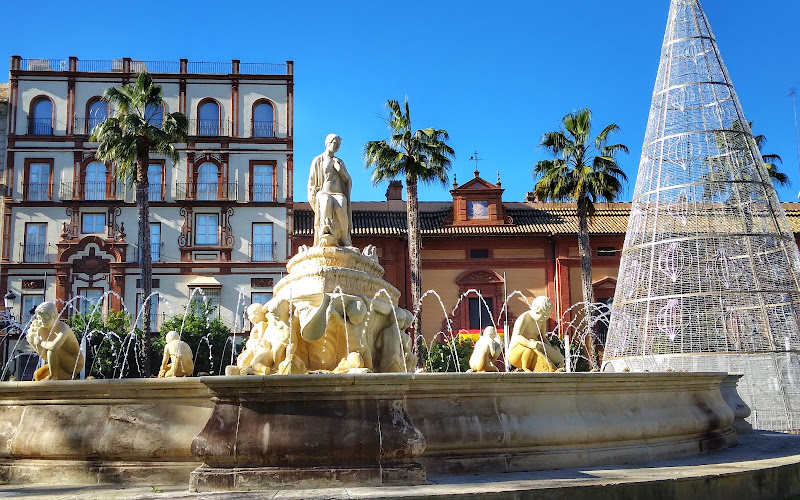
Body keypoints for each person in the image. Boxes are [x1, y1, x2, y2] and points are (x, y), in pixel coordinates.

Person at [308, 133, 352, 247]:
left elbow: (347, 180)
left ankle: (344, 237)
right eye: (335, 143)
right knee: (326, 201)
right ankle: (325, 233)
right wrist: (314, 193)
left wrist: (340, 170)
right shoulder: (318, 160)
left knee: (341, 205)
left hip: (337, 193)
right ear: (328, 143)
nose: (337, 146)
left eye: (339, 144)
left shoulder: (339, 161)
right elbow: (312, 181)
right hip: (323, 192)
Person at [26, 302, 84, 381]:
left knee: (52, 350)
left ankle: (53, 376)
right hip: (60, 364)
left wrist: (41, 342)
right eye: (39, 319)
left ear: (55, 317)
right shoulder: (44, 328)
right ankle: (59, 375)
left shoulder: (63, 328)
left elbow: (54, 346)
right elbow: (42, 350)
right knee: (38, 375)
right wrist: (33, 335)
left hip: (75, 364)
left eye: (46, 319)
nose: (42, 322)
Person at [508, 296, 565, 372]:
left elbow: (543, 338)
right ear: (536, 311)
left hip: (536, 347)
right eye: (544, 315)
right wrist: (530, 344)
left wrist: (551, 348)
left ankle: (556, 365)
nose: (546, 318)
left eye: (548, 315)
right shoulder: (525, 318)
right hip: (518, 352)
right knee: (535, 345)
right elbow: (517, 337)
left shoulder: (542, 320)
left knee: (559, 357)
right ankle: (551, 369)